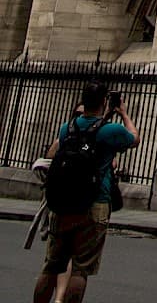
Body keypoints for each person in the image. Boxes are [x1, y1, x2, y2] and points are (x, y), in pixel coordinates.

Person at [33, 82, 138, 303]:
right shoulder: (110, 130)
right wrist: (124, 114)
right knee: (80, 269)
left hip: (62, 204)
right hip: (95, 203)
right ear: (103, 102)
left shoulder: (67, 127)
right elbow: (134, 138)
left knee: (51, 266)